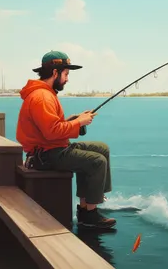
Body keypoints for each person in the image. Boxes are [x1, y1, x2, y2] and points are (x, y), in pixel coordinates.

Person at [16, 50, 116, 229]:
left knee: (102, 148)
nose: (67, 79)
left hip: (51, 148)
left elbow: (49, 127)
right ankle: (90, 216)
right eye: (66, 74)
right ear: (55, 73)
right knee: (97, 161)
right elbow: (51, 132)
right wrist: (78, 122)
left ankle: (87, 206)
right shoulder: (42, 97)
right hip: (45, 156)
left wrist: (73, 120)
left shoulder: (45, 93)